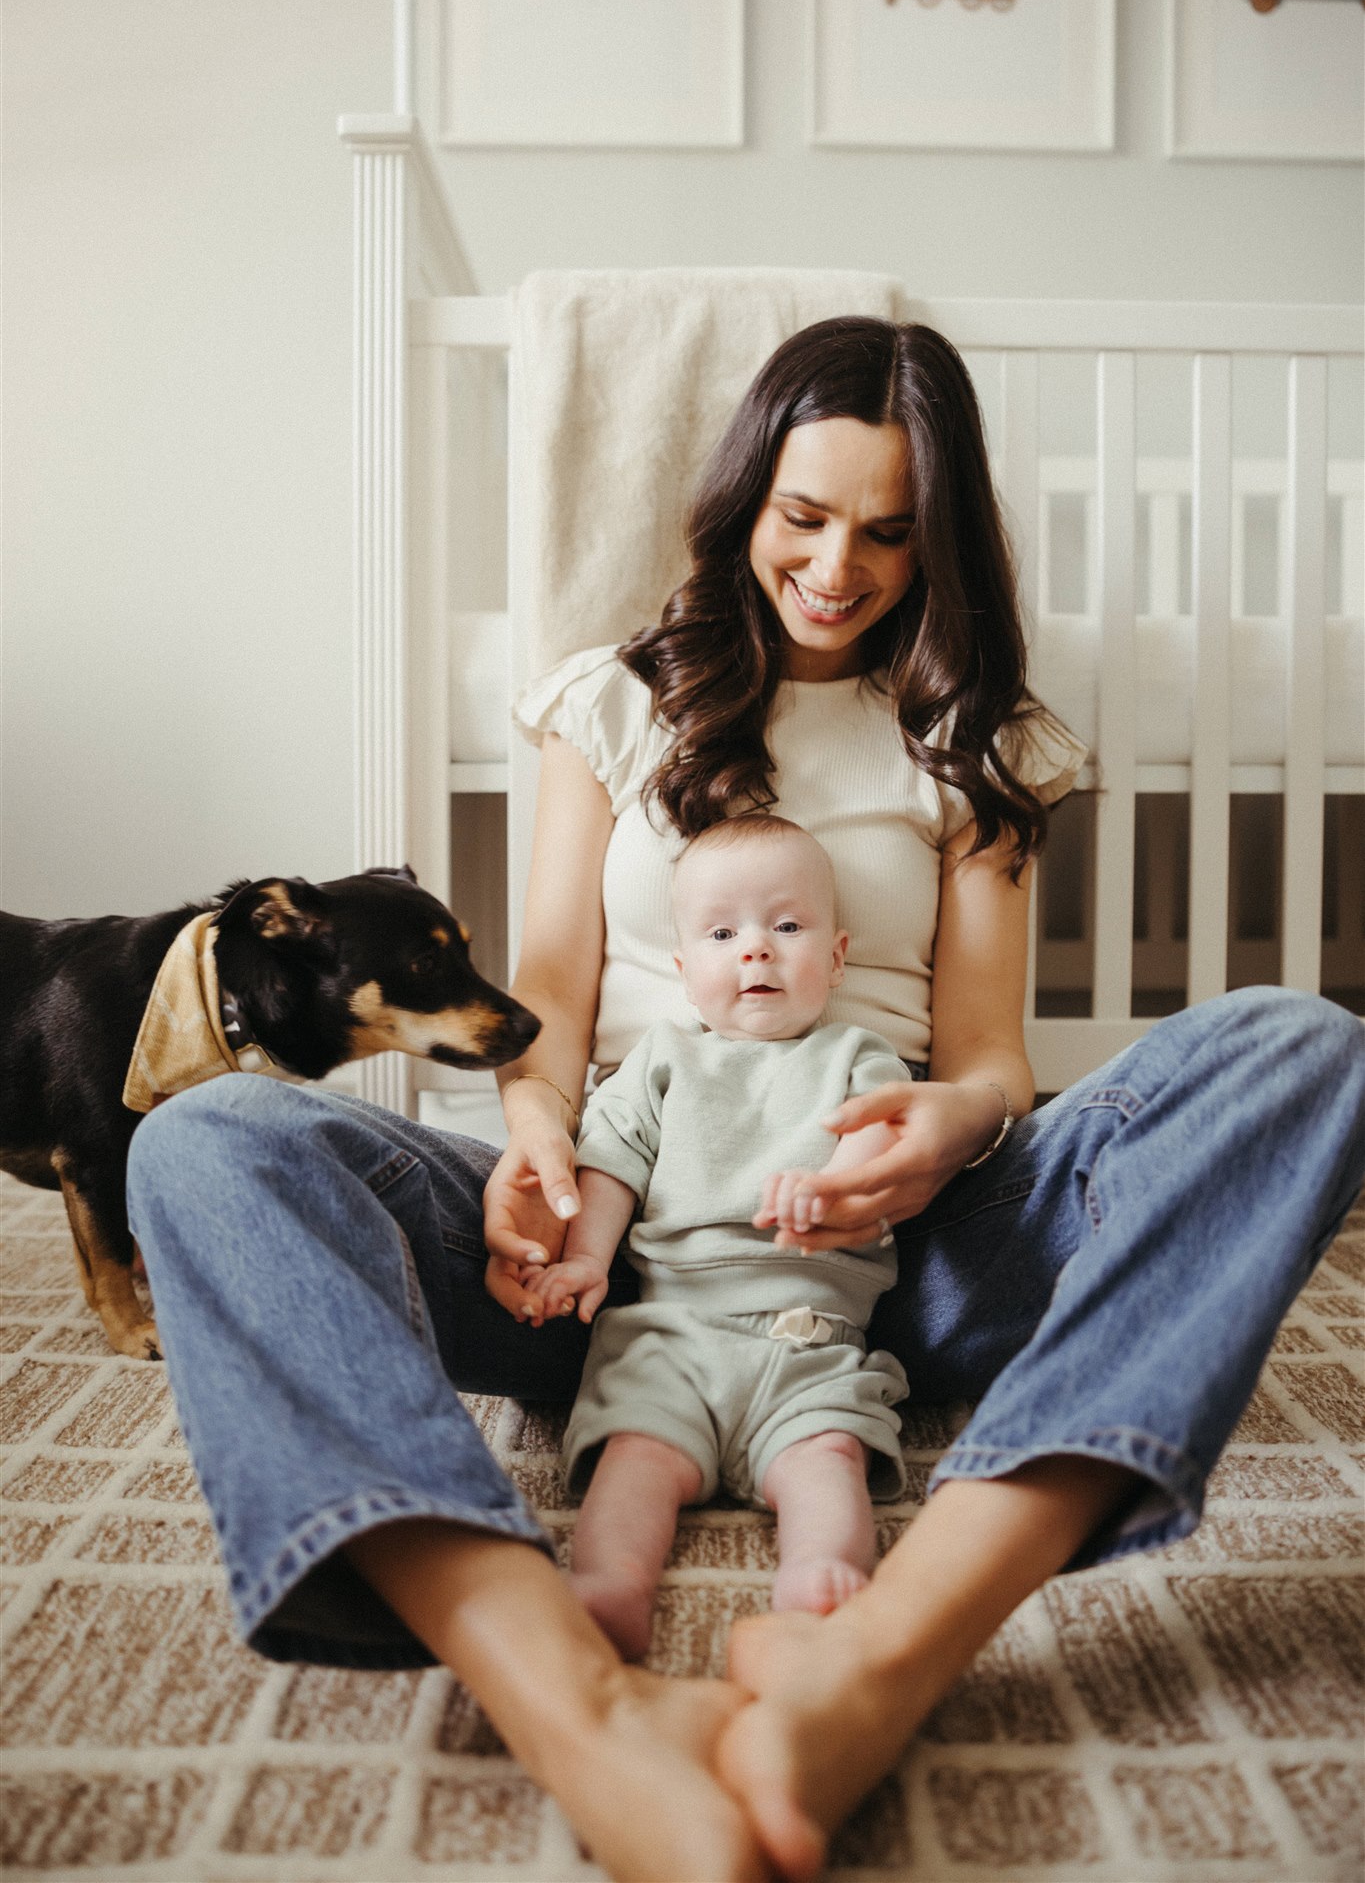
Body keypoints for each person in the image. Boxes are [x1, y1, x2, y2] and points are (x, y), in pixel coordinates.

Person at [125, 316, 1365, 1883]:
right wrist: (532, 1148)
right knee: (209, 1139)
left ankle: (884, 1652)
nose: (838, 566)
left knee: (1305, 1047)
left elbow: (991, 1056)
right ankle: (571, 1702)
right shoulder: (615, 704)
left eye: (888, 532)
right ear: (743, 503)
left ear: (941, 542)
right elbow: (553, 992)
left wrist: (949, 1131)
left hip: (901, 1256)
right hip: (600, 1258)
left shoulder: (978, 743)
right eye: (804, 516)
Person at [523, 813, 913, 1657]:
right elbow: (610, 1164)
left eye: (787, 925)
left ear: (838, 956)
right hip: (672, 1333)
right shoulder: (661, 1058)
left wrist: (835, 1185)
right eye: (723, 932)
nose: (756, 951)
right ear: (683, 968)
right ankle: (611, 1585)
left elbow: (880, 1133)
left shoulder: (857, 1052)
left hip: (808, 1338)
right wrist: (585, 1257)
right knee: (636, 1459)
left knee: (828, 1456)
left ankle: (820, 1576)